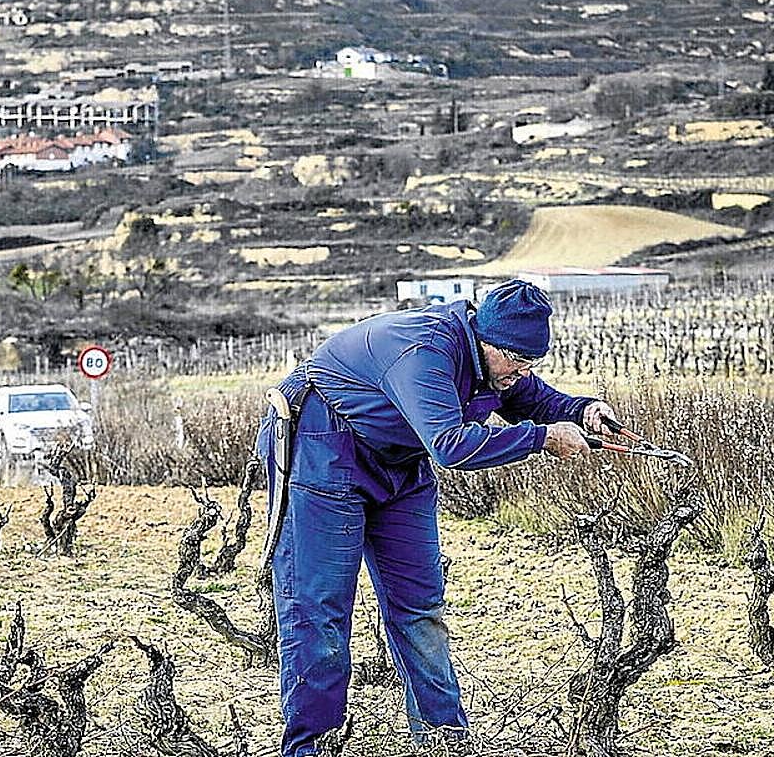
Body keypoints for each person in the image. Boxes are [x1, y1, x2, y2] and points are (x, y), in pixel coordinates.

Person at [255, 279, 616, 755]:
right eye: (516, 360)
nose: (521, 372)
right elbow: (450, 446)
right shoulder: (426, 351)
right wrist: (542, 439)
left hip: (399, 463)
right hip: (322, 446)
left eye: (532, 362)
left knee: (420, 607)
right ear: (486, 339)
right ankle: (311, 747)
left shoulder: (497, 362)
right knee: (319, 611)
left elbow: (531, 398)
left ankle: (444, 742)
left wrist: (583, 410)